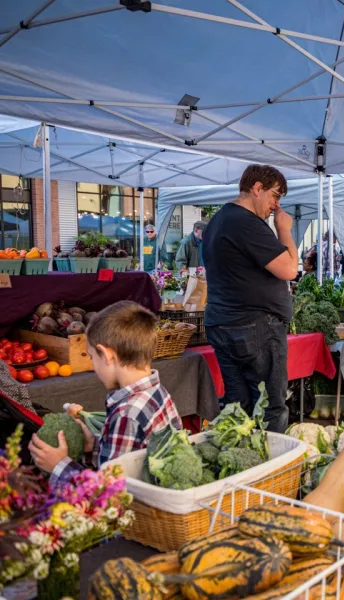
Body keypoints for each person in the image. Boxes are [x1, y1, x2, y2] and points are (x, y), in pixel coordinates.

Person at [29, 301, 182, 486]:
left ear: (107, 355)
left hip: (138, 510)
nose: (93, 366)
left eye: (92, 357)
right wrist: (92, 447)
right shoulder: (157, 392)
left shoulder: (127, 414)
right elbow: (131, 458)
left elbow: (109, 493)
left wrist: (59, 466)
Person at [203, 164, 298, 433]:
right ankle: (269, 471)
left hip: (223, 323)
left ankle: (244, 468)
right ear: (257, 189)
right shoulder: (247, 223)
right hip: (254, 327)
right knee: (270, 407)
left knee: (238, 406)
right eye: (275, 196)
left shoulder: (219, 220)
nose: (276, 205)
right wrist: (284, 230)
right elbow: (290, 269)